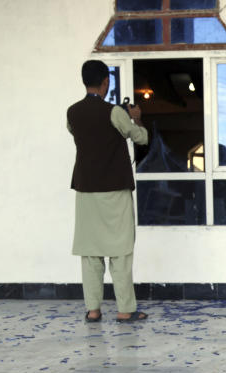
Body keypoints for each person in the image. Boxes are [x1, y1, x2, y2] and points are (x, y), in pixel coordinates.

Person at [67, 60, 149, 323]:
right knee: (120, 251)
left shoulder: (72, 112)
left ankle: (93, 309)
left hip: (86, 190)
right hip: (114, 190)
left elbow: (80, 132)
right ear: (106, 82)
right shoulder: (115, 112)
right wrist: (136, 119)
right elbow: (139, 138)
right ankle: (125, 309)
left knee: (91, 252)